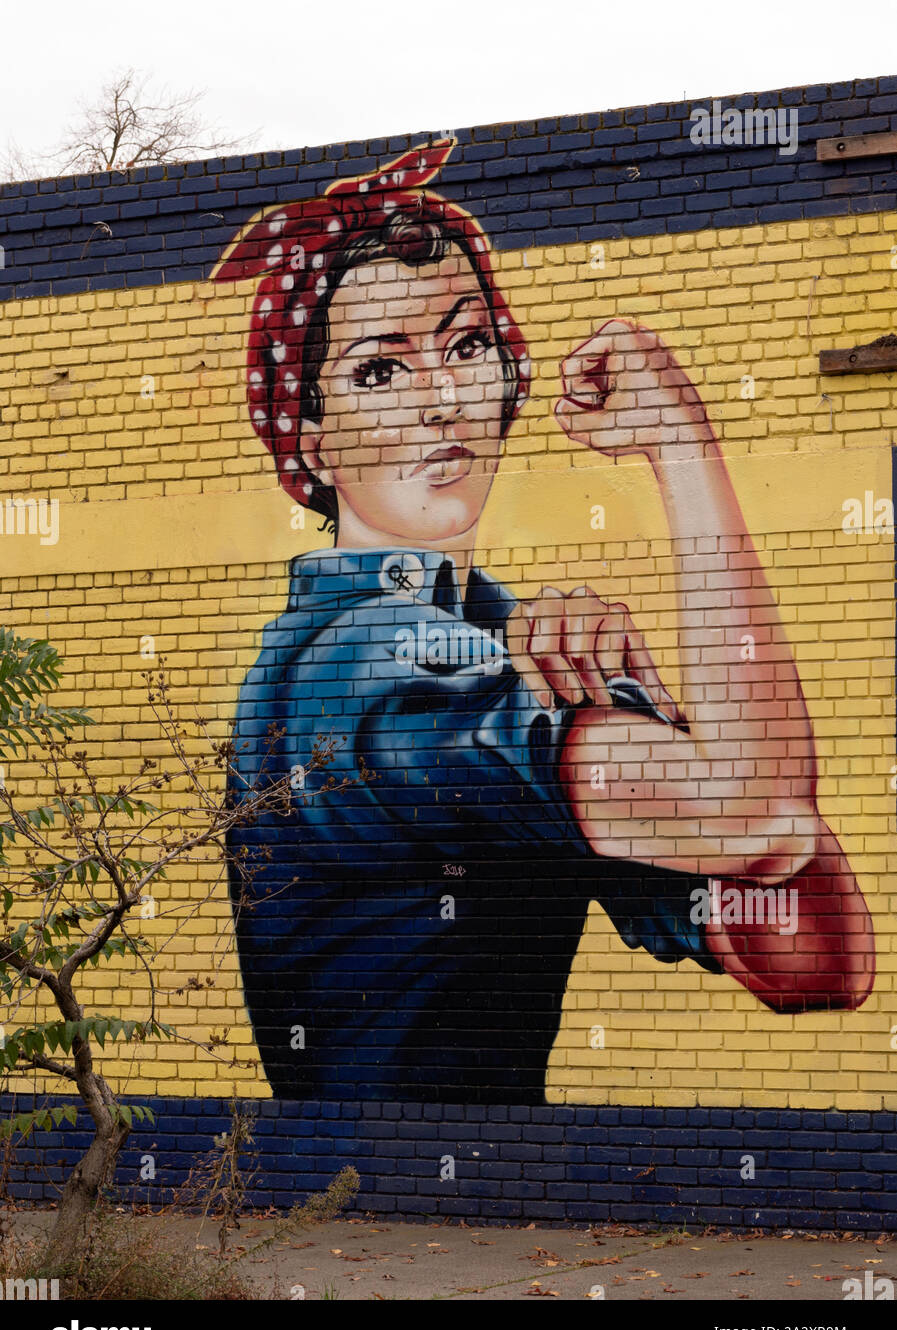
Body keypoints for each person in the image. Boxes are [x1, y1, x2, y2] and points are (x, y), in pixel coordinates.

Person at [216, 139, 874, 1103]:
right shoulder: (360, 668)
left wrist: (639, 698)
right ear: (307, 434)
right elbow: (760, 817)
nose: (442, 400)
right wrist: (683, 451)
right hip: (383, 1217)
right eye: (378, 372)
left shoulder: (498, 642)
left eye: (466, 346)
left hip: (480, 1212)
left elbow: (811, 959)